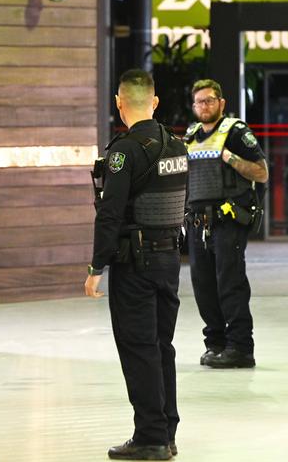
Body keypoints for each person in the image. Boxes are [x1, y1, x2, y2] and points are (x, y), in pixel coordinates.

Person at [84, 69, 188, 460]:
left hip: (136, 263)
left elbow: (109, 214)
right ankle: (167, 430)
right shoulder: (176, 145)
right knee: (162, 345)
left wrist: (97, 267)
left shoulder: (124, 151)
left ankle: (150, 437)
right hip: (169, 260)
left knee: (139, 347)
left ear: (119, 102)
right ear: (155, 102)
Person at [184, 79, 269, 369]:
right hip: (198, 221)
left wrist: (230, 158)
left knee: (230, 284)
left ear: (221, 103)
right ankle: (216, 343)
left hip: (227, 219)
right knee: (203, 286)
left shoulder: (235, 132)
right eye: (199, 102)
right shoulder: (191, 135)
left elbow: (261, 173)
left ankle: (241, 348)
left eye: (209, 100)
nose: (204, 106)